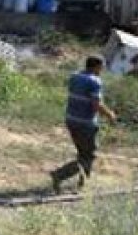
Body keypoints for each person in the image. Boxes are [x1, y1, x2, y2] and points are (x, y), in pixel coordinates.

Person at [50, 56, 117, 193]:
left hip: (71, 119)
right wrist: (110, 114)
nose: (102, 70)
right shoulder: (94, 81)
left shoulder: (75, 76)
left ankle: (83, 184)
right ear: (96, 67)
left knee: (84, 153)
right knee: (88, 156)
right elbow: (96, 105)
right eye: (102, 67)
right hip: (85, 123)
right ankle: (59, 174)